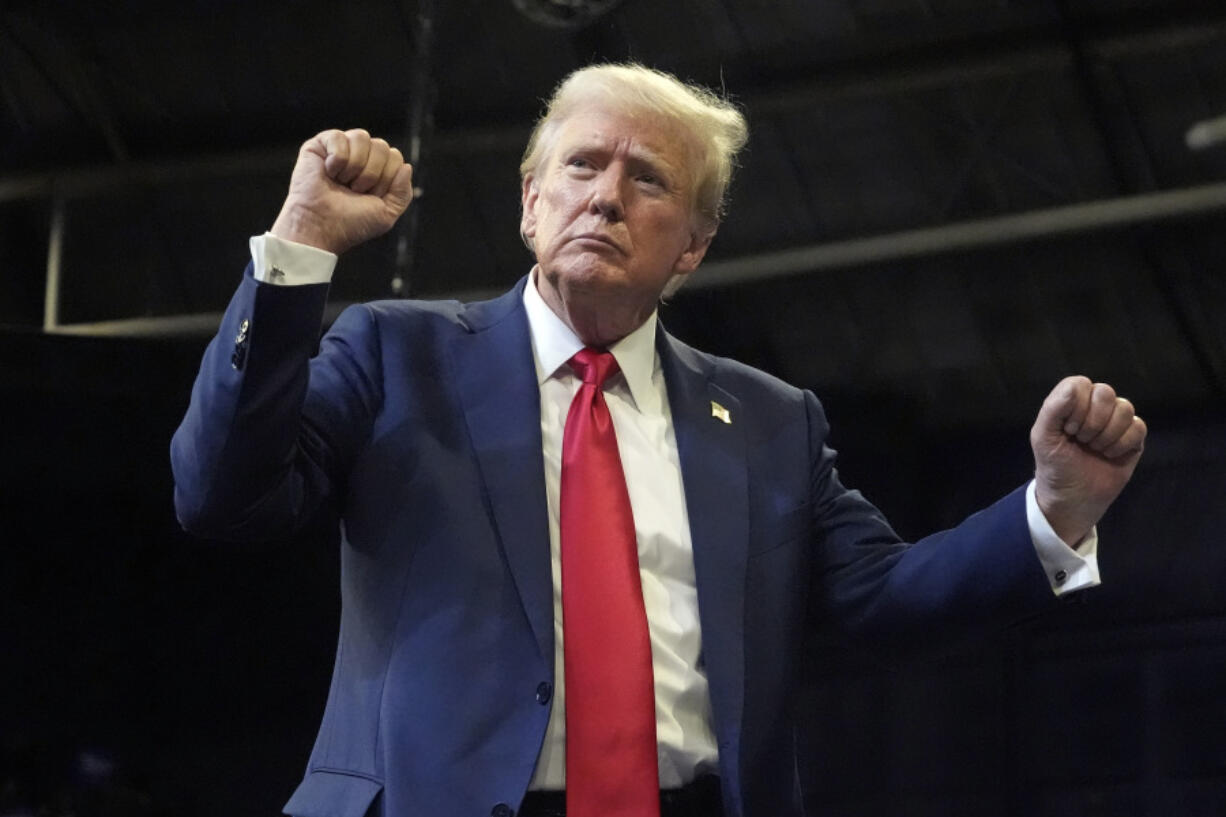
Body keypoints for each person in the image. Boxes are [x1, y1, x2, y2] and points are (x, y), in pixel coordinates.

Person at [170, 63, 1146, 817]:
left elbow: (880, 596)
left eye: (646, 179)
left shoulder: (768, 420)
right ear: (529, 202)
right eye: (580, 166)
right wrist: (299, 246)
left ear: (691, 246)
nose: (603, 195)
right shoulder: (395, 353)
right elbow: (219, 493)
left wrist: (1054, 510)